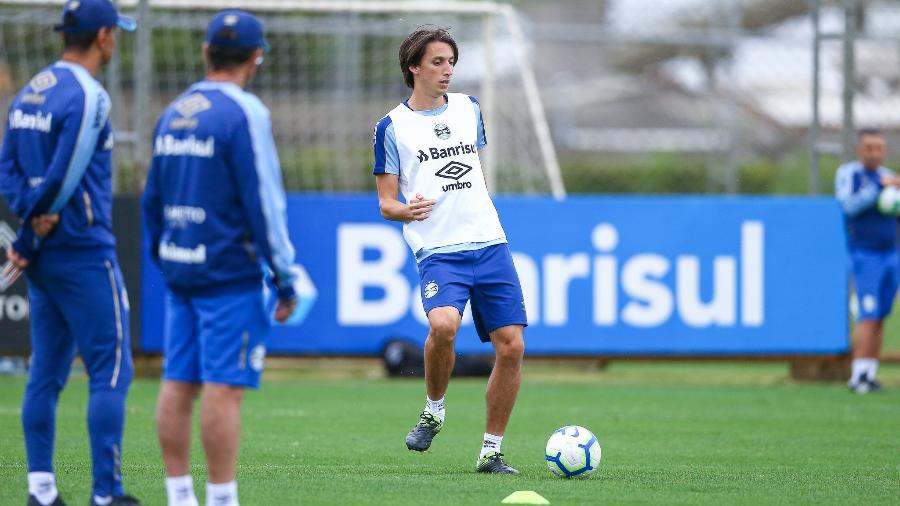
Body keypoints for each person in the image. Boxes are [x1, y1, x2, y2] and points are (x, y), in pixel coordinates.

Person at [141, 10, 298, 506]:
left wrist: (163, 257)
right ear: (257, 57)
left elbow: (152, 199)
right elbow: (264, 202)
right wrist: (285, 277)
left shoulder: (175, 109)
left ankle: (178, 495)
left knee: (177, 381)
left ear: (206, 52)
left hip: (180, 266)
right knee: (223, 386)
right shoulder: (245, 112)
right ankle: (222, 498)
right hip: (228, 271)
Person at [0, 1, 139, 505]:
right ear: (103, 36)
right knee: (112, 369)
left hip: (45, 255)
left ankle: (41, 489)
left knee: (46, 371)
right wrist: (34, 228)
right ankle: (106, 492)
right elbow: (66, 172)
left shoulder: (32, 89)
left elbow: (8, 167)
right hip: (81, 249)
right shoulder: (89, 95)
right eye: (115, 33)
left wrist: (27, 216)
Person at [372, 26, 527, 474]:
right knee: (443, 326)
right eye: (437, 62)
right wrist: (408, 209)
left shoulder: (468, 108)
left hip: (490, 241)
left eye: (451, 62)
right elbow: (386, 204)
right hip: (439, 249)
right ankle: (433, 409)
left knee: (512, 346)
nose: (447, 70)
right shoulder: (391, 127)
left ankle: (491, 451)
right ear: (413, 67)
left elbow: (468, 171)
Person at [835, 128, 898, 394]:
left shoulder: (888, 177)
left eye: (879, 148)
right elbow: (848, 206)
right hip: (865, 254)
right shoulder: (851, 174)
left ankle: (870, 374)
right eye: (869, 148)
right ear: (859, 150)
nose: (875, 153)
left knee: (881, 314)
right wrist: (876, 190)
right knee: (868, 313)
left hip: (891, 253)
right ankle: (856, 376)